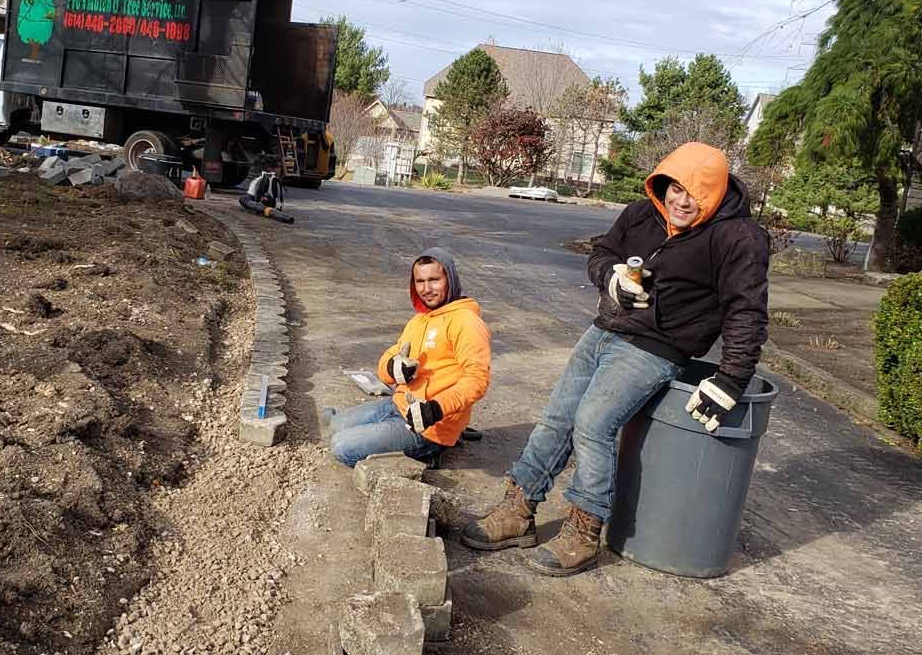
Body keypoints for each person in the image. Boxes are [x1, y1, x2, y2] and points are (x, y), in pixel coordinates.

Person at [460, 141, 770, 577]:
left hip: (656, 348)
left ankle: (584, 531)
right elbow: (602, 253)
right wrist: (612, 279)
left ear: (715, 192)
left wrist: (732, 378)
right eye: (674, 188)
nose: (681, 200)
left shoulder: (738, 237)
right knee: (556, 418)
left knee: (593, 423)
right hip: (603, 331)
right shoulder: (642, 212)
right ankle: (518, 509)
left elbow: (746, 310)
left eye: (695, 193)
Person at [328, 248, 492, 467]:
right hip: (398, 405)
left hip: (428, 425)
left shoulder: (467, 322)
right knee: (334, 425)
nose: (426, 289)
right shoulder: (419, 321)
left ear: (450, 279)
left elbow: (476, 380)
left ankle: (430, 451)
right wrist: (393, 367)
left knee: (342, 446)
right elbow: (388, 359)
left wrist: (436, 408)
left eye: (434, 280)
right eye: (420, 281)